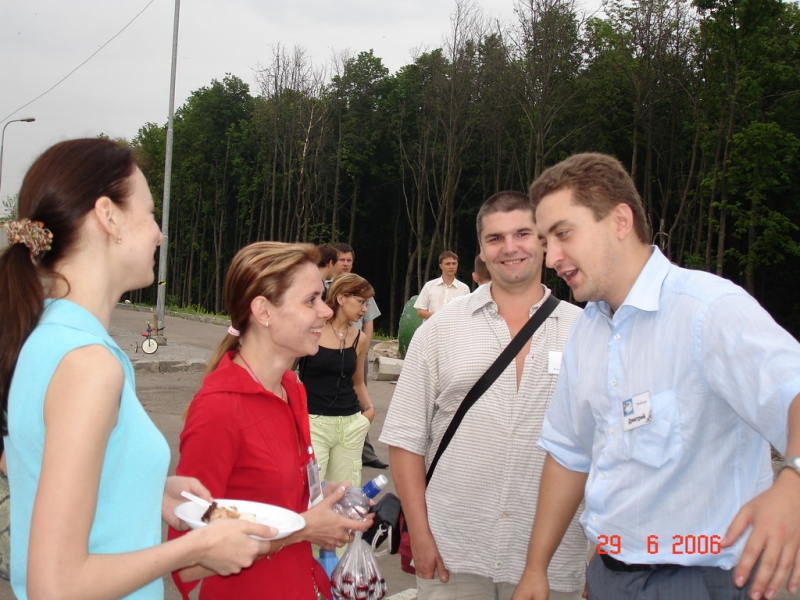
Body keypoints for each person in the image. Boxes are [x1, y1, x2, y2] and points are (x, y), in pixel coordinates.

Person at [513, 152, 800, 600]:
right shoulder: (587, 330)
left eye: (563, 234)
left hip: (701, 580)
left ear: (620, 221)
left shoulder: (708, 310)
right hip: (609, 576)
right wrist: (536, 568)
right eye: (546, 241)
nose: (552, 258)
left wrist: (793, 481)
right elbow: (569, 454)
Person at [0, 138, 272, 600]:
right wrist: (197, 547)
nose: (159, 234)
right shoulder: (87, 364)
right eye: (149, 213)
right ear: (108, 216)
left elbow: (43, 472)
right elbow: (55, 585)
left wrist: (150, 490)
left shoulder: (48, 336)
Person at [381, 191, 587, 600]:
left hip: (553, 560)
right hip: (452, 553)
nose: (510, 247)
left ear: (543, 241)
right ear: (481, 248)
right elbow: (405, 440)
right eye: (495, 238)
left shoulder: (584, 331)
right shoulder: (438, 331)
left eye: (522, 234)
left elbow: (607, 449)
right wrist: (419, 536)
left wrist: (600, 550)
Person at [169, 242, 371, 599]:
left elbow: (277, 494)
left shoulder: (292, 388)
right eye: (310, 301)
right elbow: (188, 561)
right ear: (263, 311)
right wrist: (305, 528)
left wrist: (324, 497)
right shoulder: (219, 408)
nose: (326, 311)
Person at [301, 273, 376, 489]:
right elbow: (285, 374)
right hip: (314, 423)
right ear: (341, 298)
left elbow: (358, 382)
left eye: (366, 303)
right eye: (360, 302)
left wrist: (369, 411)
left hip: (350, 424)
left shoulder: (360, 338)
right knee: (311, 491)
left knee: (345, 493)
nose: (364, 309)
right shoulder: (311, 330)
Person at [334, 242, 388, 469]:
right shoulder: (324, 286)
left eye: (349, 260)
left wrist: (363, 348)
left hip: (356, 349)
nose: (346, 264)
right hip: (329, 349)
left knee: (358, 396)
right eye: (342, 260)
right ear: (332, 262)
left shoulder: (361, 286)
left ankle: (364, 451)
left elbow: (368, 321)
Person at [414, 251, 470, 320]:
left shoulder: (464, 288)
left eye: (454, 263)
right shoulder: (429, 286)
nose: (451, 267)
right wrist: (439, 316)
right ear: (441, 266)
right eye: (447, 264)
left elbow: (467, 313)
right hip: (433, 326)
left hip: (454, 326)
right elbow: (420, 312)